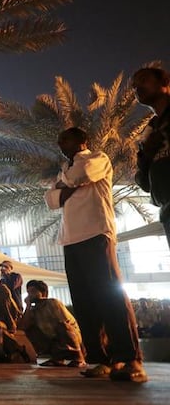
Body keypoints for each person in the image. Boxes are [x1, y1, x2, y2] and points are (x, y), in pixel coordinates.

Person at [45, 126, 146, 382]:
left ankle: (130, 358)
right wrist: (66, 185)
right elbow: (50, 199)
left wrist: (64, 186)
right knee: (84, 302)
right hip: (71, 240)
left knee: (110, 296)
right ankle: (99, 360)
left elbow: (83, 174)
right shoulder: (65, 169)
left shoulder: (97, 158)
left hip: (97, 234)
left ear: (82, 140)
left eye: (65, 139)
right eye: (58, 140)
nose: (60, 143)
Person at [131, 67, 170, 247]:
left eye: (143, 80)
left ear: (164, 82)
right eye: (134, 86)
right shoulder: (149, 130)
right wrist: (147, 153)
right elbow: (144, 182)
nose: (137, 87)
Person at [20, 280, 85, 367]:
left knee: (62, 326)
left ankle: (79, 358)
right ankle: (57, 358)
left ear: (43, 293)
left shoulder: (52, 302)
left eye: (34, 292)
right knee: (30, 330)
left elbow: (66, 324)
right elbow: (23, 326)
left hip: (70, 337)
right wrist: (28, 306)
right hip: (52, 338)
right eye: (29, 292)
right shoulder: (33, 310)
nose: (30, 295)